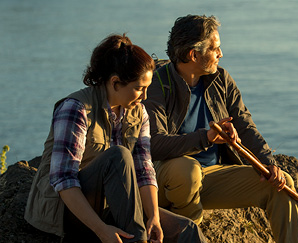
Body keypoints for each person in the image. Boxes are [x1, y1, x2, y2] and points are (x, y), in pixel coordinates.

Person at [25, 34, 206, 243]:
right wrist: (102, 230)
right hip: (67, 210)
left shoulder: (139, 113)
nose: (145, 97)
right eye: (139, 88)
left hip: (115, 203)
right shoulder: (76, 109)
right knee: (118, 156)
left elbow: (144, 169)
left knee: (186, 229)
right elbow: (64, 181)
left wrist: (154, 218)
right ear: (115, 83)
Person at [143, 15, 298, 243]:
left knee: (281, 185)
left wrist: (268, 162)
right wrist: (207, 137)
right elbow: (155, 144)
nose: (221, 54)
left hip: (211, 177)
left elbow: (246, 125)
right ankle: (190, 233)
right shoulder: (157, 85)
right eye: (215, 49)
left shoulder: (221, 79)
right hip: (167, 177)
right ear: (194, 54)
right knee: (187, 170)